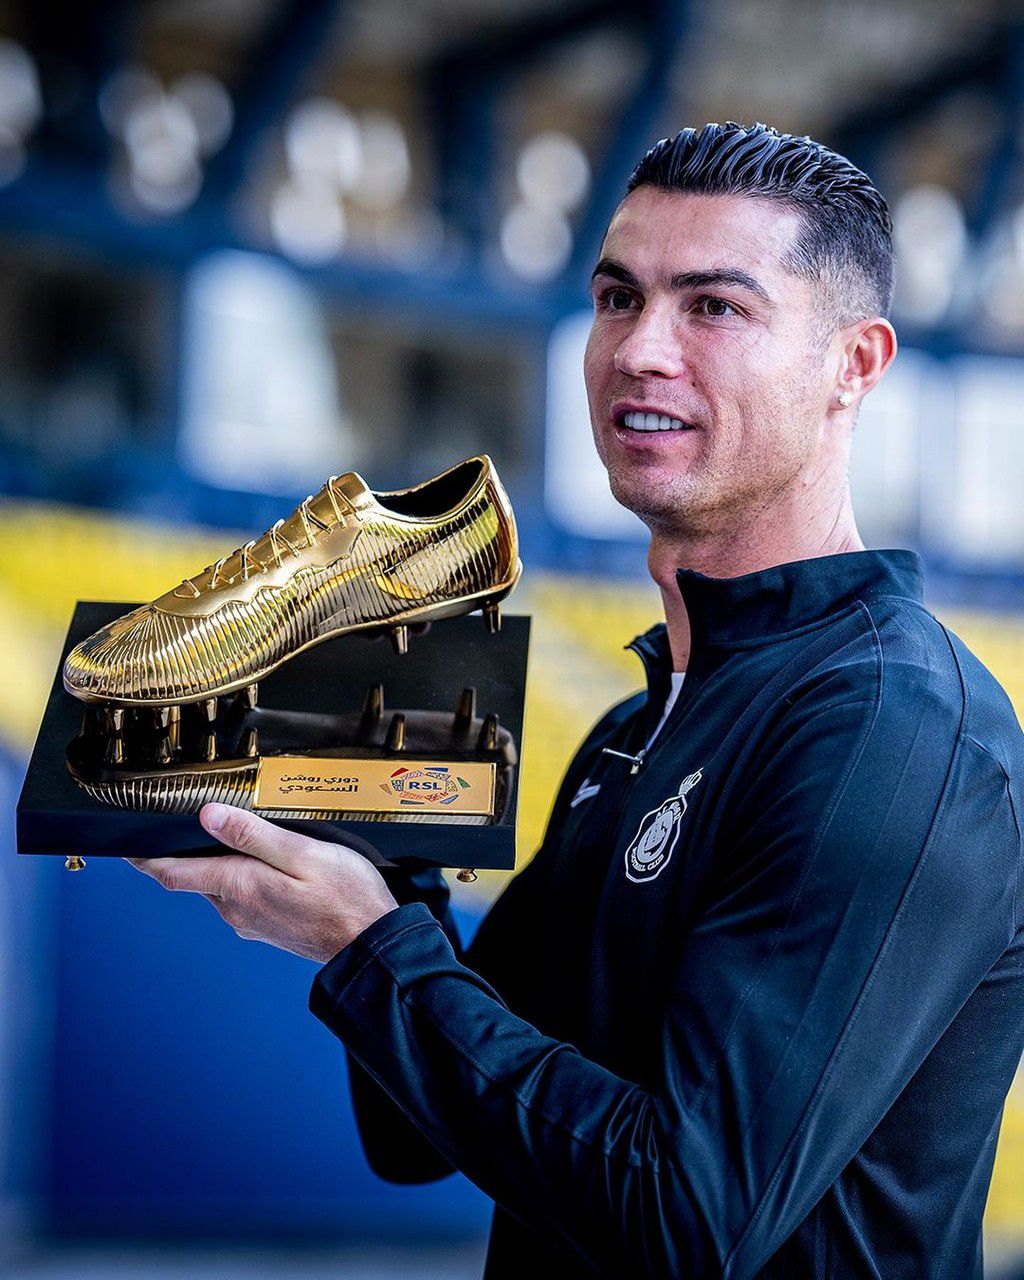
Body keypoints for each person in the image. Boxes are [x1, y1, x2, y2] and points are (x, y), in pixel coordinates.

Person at [127, 122, 1024, 1279]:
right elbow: (413, 1132)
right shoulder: (636, 730)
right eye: (617, 298)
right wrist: (379, 851)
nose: (640, 349)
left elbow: (684, 1219)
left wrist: (367, 940)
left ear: (853, 364)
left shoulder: (892, 726)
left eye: (713, 307)